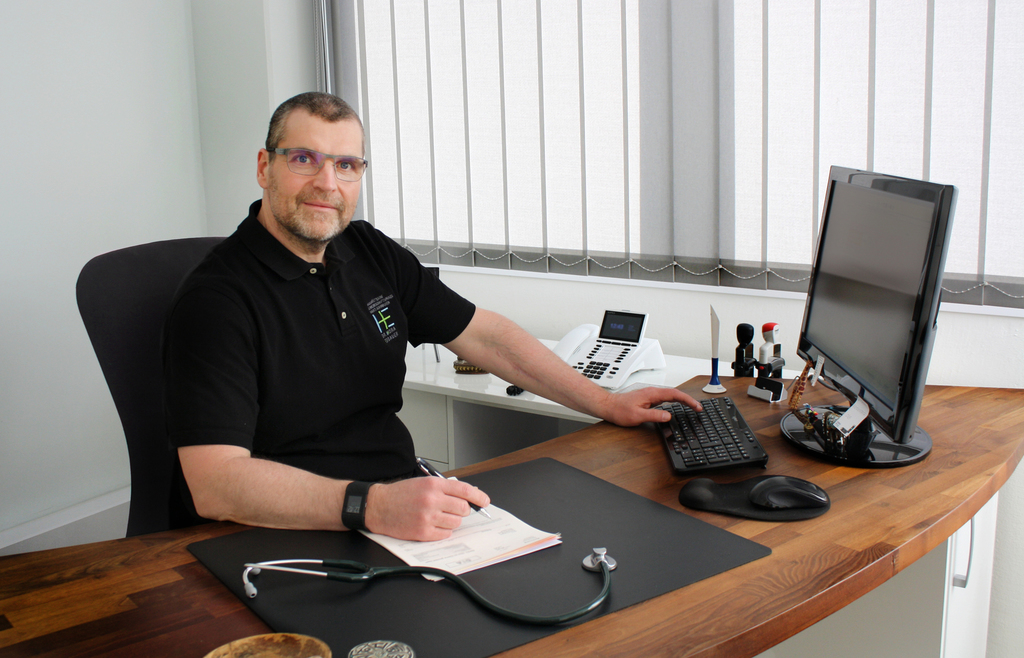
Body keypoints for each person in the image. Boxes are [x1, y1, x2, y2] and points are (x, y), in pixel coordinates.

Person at [163, 91, 701, 542]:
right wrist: (372, 505)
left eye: (346, 165)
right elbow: (216, 484)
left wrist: (605, 401)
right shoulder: (216, 300)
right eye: (305, 159)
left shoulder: (367, 250)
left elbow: (485, 337)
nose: (328, 183)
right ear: (265, 167)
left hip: (393, 509)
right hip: (283, 533)